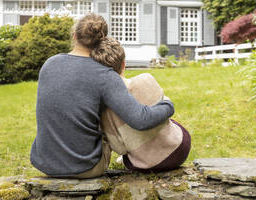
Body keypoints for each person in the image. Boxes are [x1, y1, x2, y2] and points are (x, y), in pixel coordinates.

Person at [30, 13, 175, 178]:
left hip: (44, 163)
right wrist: (167, 105)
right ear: (103, 40)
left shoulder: (49, 64)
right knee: (113, 113)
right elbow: (140, 119)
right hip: (85, 167)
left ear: (75, 36)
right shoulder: (105, 75)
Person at [91, 37, 191, 173]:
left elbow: (120, 148)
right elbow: (163, 104)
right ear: (124, 64)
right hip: (179, 150)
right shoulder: (146, 79)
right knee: (170, 122)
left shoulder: (104, 109)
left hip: (144, 165)